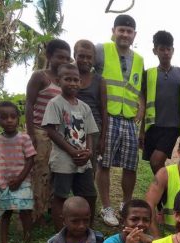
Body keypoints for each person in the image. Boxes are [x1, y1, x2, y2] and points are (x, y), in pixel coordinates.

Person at [95, 14, 144, 227]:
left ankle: (125, 205)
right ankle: (106, 207)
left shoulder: (140, 59)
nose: (125, 34)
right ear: (113, 31)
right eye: (121, 30)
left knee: (131, 165)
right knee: (103, 163)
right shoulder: (101, 50)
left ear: (134, 35)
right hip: (108, 117)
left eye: (129, 31)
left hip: (129, 120)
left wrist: (141, 108)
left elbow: (140, 89)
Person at [42, 63, 98, 231]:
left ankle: (88, 230)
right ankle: (61, 232)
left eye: (76, 80)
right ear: (59, 81)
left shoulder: (84, 107)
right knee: (61, 195)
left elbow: (90, 132)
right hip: (63, 160)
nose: (73, 83)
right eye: (68, 79)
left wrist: (88, 152)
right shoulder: (55, 103)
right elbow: (51, 131)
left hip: (83, 160)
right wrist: (72, 151)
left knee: (90, 195)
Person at [25, 39, 71, 223]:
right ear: (49, 56)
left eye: (67, 58)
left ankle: (50, 211)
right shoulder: (40, 76)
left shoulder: (65, 80)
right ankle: (34, 214)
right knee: (38, 173)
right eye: (60, 57)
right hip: (40, 132)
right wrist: (30, 135)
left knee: (54, 174)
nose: (64, 61)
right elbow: (29, 104)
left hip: (58, 135)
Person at [0, 101, 36, 243]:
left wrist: (20, 179)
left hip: (23, 182)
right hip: (3, 183)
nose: (9, 120)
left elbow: (30, 160)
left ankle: (27, 240)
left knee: (25, 211)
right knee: (5, 213)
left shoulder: (24, 138)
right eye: (4, 117)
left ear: (18, 119)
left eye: (13, 117)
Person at [141, 30, 180, 174]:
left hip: (172, 127)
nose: (165, 52)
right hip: (153, 127)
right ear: (155, 51)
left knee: (156, 161)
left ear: (173, 51)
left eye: (168, 49)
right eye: (161, 49)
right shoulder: (148, 74)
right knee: (154, 165)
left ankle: (167, 191)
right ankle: (163, 194)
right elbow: (144, 102)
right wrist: (142, 132)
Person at [74, 39, 108, 173]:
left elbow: (104, 110)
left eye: (89, 57)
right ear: (74, 55)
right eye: (81, 56)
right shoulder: (67, 77)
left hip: (93, 130)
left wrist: (102, 138)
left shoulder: (99, 81)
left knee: (88, 170)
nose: (85, 60)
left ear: (94, 60)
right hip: (69, 127)